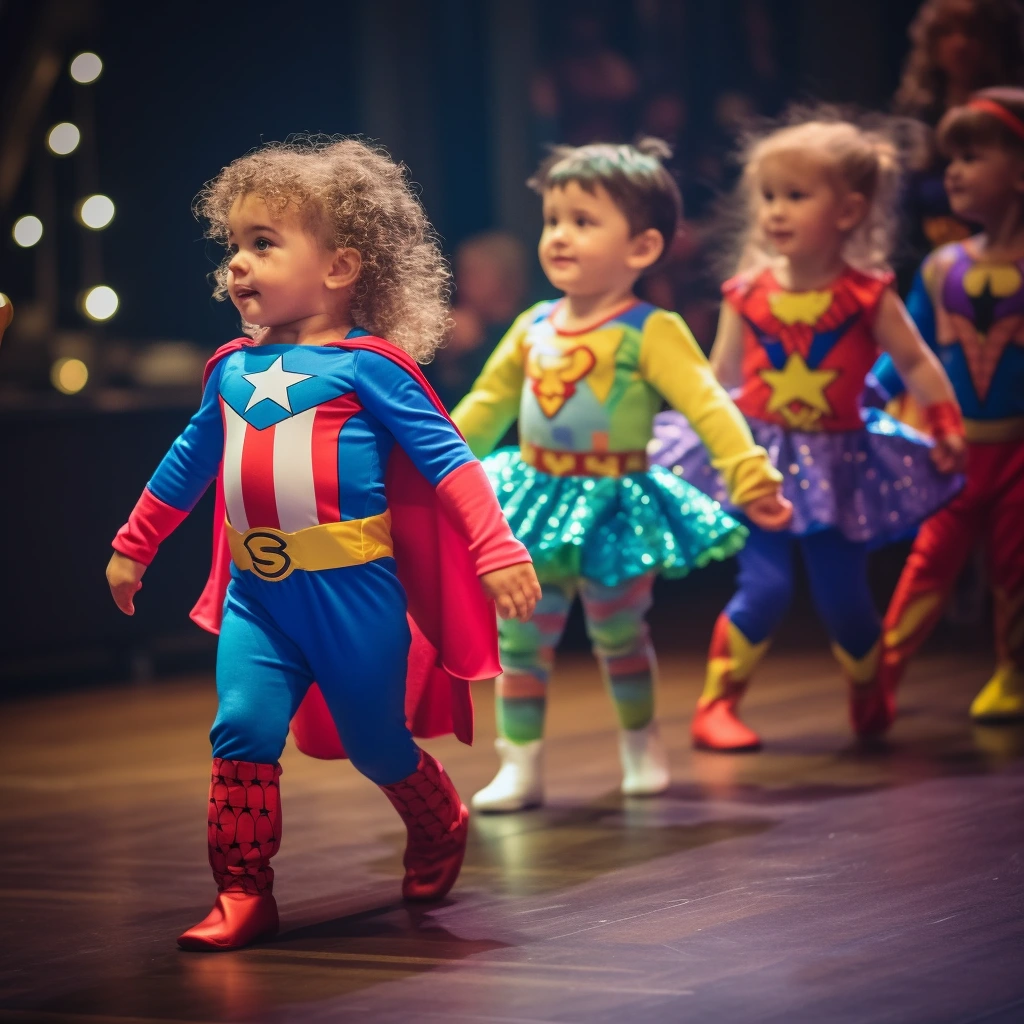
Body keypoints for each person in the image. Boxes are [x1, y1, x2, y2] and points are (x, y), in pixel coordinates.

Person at [105, 138, 540, 951]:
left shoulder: (368, 366)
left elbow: (450, 459)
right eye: (232, 245)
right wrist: (136, 543)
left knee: (376, 743)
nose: (238, 263)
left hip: (354, 596)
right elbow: (189, 461)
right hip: (257, 596)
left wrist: (498, 551)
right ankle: (243, 891)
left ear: (341, 267)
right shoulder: (229, 368)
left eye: (263, 243)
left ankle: (436, 814)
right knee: (240, 728)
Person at [451, 140, 790, 812]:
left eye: (583, 221)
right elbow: (484, 409)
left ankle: (641, 746)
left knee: (619, 631)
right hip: (534, 499)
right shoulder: (531, 327)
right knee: (521, 639)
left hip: (615, 500)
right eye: (553, 220)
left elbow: (707, 404)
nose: (560, 237)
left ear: (640, 248)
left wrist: (750, 474)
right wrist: (431, 465)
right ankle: (519, 765)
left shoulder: (650, 329)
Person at [650, 111, 966, 751]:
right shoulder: (748, 292)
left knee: (844, 598)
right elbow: (721, 374)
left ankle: (868, 686)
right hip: (763, 463)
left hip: (838, 465)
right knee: (764, 586)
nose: (776, 211)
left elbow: (915, 363)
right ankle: (717, 703)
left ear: (848, 211)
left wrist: (944, 418)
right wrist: (705, 432)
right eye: (769, 196)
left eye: (796, 195)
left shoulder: (866, 295)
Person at [871, 88, 1024, 722]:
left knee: (1016, 569)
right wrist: (864, 399)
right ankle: (881, 676)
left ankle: (1014, 674)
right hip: (957, 452)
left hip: (1018, 453)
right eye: (950, 158)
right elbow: (910, 350)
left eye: (972, 155)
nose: (953, 171)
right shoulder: (941, 268)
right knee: (929, 561)